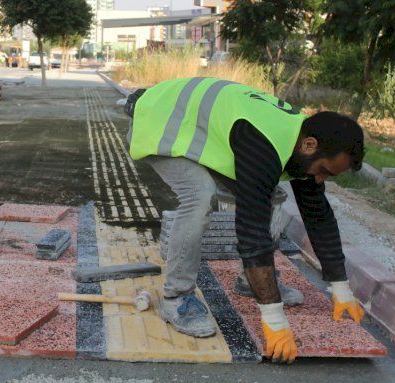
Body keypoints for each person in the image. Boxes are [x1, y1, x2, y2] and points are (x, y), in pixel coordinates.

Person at [125, 77, 366, 364]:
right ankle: (177, 299)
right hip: (162, 119)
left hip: (201, 126)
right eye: (324, 170)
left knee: (268, 193)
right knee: (200, 196)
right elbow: (251, 232)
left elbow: (318, 215)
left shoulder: (304, 142)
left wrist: (341, 288)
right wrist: (274, 319)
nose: (319, 179)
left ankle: (248, 282)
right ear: (310, 145)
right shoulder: (264, 141)